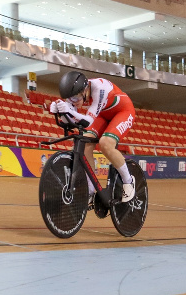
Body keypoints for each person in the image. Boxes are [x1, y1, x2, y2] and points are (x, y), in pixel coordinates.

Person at [49, 71, 136, 203]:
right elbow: (71, 120)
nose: (74, 102)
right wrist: (59, 111)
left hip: (123, 111)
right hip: (103, 114)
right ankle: (90, 189)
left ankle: (128, 181)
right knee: (84, 142)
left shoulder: (99, 89)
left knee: (105, 143)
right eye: (71, 99)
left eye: (76, 99)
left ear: (85, 90)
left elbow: (87, 120)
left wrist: (69, 110)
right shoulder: (77, 93)